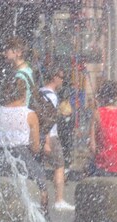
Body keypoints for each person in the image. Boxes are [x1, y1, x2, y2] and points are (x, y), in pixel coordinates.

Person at [0, 79, 46, 208]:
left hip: (0, 158)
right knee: (41, 182)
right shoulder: (29, 115)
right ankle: (43, 215)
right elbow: (35, 147)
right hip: (22, 157)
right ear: (23, 94)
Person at [38, 69, 72, 211]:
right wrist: (47, 141)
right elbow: (47, 120)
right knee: (59, 166)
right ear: (54, 77)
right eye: (62, 77)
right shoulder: (51, 96)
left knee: (39, 168)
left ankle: (42, 199)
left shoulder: (40, 91)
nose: (63, 81)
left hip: (38, 135)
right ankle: (59, 199)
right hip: (50, 135)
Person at [3, 36, 36, 107]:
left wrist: (3, 110)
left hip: (20, 115)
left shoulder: (20, 75)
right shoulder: (28, 69)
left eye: (7, 50)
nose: (4, 53)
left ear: (18, 52)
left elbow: (21, 101)